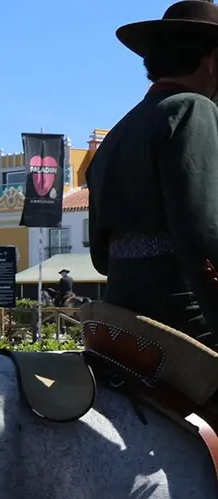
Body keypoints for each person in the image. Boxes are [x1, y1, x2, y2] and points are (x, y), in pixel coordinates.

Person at [87, 0, 218, 350]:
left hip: (121, 316)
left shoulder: (117, 133)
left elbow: (101, 258)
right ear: (213, 61)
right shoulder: (195, 108)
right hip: (181, 315)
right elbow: (203, 232)